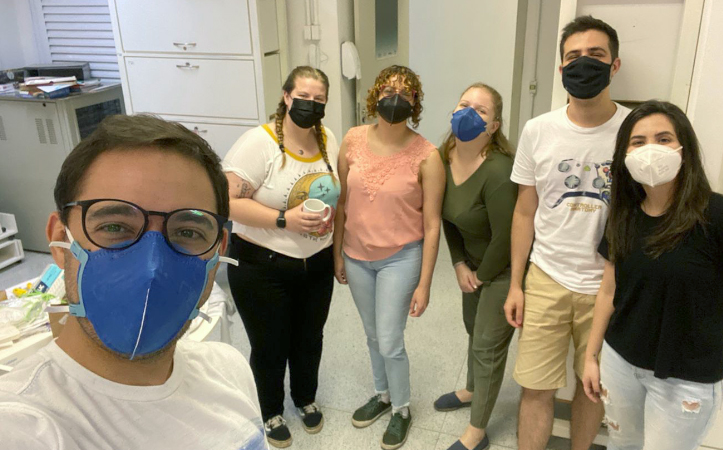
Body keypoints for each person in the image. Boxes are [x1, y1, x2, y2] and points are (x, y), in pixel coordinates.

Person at [0, 114, 267, 450]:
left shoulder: (229, 369)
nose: (152, 266)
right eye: (114, 227)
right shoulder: (24, 427)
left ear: (218, 252)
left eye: (187, 232)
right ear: (59, 240)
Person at [581, 100, 723, 450]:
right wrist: (590, 355)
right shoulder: (623, 214)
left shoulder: (722, 217)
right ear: (624, 155)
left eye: (663, 138)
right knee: (621, 445)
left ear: (683, 149)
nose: (651, 150)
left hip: (687, 378)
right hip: (621, 363)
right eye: (638, 142)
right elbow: (609, 290)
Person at [504, 16, 630, 450]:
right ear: (561, 69)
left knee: (592, 387)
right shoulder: (538, 130)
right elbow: (524, 212)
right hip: (547, 278)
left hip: (609, 287)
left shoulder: (635, 133)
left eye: (595, 55)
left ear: (615, 65)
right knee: (536, 388)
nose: (584, 63)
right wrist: (516, 283)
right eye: (573, 56)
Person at [223, 66, 340, 448]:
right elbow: (225, 201)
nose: (311, 104)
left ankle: (304, 398)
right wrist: (283, 219)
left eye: (319, 99)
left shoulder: (327, 139)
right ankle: (271, 408)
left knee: (310, 339)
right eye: (303, 97)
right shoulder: (259, 143)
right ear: (287, 97)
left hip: (316, 263)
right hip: (263, 266)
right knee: (271, 343)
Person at [332, 65, 445, 450]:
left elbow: (432, 225)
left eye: (405, 91)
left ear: (415, 103)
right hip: (355, 254)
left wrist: (425, 283)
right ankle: (381, 394)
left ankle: (402, 409)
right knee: (371, 335)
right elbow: (341, 203)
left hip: (401, 257)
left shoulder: (427, 156)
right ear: (374, 95)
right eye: (388, 88)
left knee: (390, 339)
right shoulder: (351, 140)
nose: (395, 96)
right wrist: (337, 255)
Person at [433, 83, 517, 450]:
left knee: (487, 345)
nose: (469, 112)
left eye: (481, 110)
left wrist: (481, 276)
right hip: (474, 264)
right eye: (464, 104)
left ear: (494, 126)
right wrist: (458, 263)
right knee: (473, 328)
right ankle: (471, 389)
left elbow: (506, 237)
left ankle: (477, 430)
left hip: (505, 268)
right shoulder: (443, 157)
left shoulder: (498, 170)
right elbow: (447, 217)